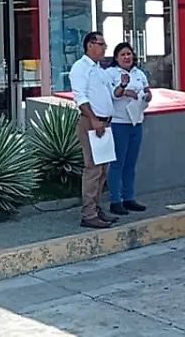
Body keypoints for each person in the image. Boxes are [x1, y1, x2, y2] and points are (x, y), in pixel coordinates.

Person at [70, 32, 119, 229]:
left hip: (104, 123)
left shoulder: (99, 69)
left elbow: (111, 92)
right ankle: (88, 213)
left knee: (103, 170)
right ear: (90, 45)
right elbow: (80, 97)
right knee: (93, 169)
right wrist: (93, 119)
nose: (104, 48)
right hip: (92, 123)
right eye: (101, 44)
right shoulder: (80, 68)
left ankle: (97, 208)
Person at [104, 42, 152, 216]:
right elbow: (113, 94)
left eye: (129, 54)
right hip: (119, 123)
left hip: (136, 122)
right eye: (123, 55)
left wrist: (147, 95)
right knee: (117, 163)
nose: (127, 57)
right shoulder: (110, 73)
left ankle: (128, 198)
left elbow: (146, 91)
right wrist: (124, 88)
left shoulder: (139, 74)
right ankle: (115, 200)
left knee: (131, 164)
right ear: (116, 58)